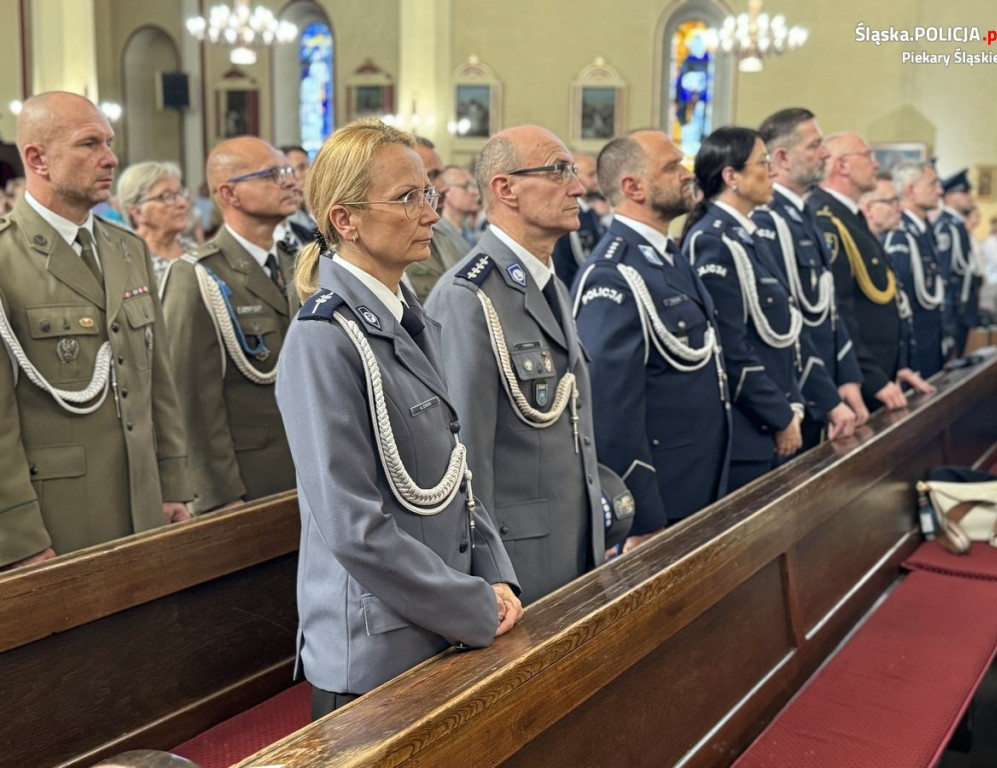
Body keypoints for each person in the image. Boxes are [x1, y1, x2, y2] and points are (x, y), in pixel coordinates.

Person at [274, 118, 522, 719]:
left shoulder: (406, 319)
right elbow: (355, 527)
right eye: (408, 198)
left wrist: (497, 578)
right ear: (346, 220)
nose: (431, 214)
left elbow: (454, 474)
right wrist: (468, 604)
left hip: (439, 624)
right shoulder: (324, 340)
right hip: (379, 649)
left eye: (429, 195)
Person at [0, 91, 191, 570]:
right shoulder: (5, 259)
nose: (110, 158)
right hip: (59, 516)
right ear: (37, 159)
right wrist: (19, 535)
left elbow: (157, 383)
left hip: (144, 502)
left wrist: (172, 483)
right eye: (89, 144)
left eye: (108, 142)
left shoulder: (127, 249)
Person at [426, 125, 605, 603]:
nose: (578, 187)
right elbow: (464, 456)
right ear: (506, 189)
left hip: (574, 537)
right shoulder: (469, 297)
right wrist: (486, 572)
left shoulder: (550, 284)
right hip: (517, 558)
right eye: (557, 172)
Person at [572, 130, 730, 544]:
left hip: (699, 479)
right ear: (632, 187)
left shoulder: (667, 256)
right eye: (672, 166)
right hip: (662, 498)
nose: (686, 173)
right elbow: (610, 410)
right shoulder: (612, 274)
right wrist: (641, 516)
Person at [161, 137, 300, 513]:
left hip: (309, 470)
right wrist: (219, 496)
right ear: (230, 194)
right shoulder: (198, 275)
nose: (290, 181)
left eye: (288, 171)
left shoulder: (298, 264)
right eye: (273, 174)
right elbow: (191, 401)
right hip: (251, 480)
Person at [682, 126, 804, 491]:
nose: (773, 172)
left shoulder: (747, 236)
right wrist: (780, 416)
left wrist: (792, 406)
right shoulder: (713, 241)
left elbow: (784, 335)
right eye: (763, 163)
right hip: (747, 429)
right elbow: (730, 349)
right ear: (731, 176)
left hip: (772, 421)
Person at [753, 108, 866, 449]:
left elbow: (827, 308)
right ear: (783, 158)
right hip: (797, 394)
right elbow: (786, 324)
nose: (826, 153)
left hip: (824, 386)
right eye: (815, 145)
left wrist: (847, 377)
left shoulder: (805, 213)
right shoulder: (767, 220)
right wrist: (824, 396)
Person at [807, 132, 933, 411]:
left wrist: (895, 367)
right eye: (868, 156)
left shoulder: (849, 217)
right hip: (855, 381)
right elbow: (840, 309)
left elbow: (877, 307)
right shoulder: (825, 219)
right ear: (843, 165)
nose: (876, 164)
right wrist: (872, 377)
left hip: (877, 374)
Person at [885, 162, 945, 379]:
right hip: (915, 347)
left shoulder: (923, 231)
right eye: (933, 184)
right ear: (910, 190)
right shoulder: (901, 235)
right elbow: (901, 302)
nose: (939, 190)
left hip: (931, 339)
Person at [117, 161, 195, 286]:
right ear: (137, 212)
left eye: (181, 193)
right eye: (167, 196)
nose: (182, 203)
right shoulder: (125, 261)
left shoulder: (194, 252)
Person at [934, 169, 982, 355]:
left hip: (963, 306)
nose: (970, 198)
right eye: (965, 193)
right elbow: (946, 272)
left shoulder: (957, 225)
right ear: (951, 196)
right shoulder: (947, 227)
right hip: (955, 308)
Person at [404, 136, 456, 300]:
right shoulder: (390, 246)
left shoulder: (444, 237)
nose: (445, 187)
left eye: (442, 174)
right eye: (432, 175)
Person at [552, 153, 606, 288]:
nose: (596, 181)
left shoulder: (591, 213)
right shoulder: (566, 214)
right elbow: (560, 265)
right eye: (591, 175)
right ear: (574, 177)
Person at [435, 165, 477, 258]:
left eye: (473, 186)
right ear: (446, 191)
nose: (475, 192)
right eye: (467, 186)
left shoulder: (467, 232)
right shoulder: (436, 235)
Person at [279, 144, 316, 245]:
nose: (309, 173)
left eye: (309, 167)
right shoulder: (283, 216)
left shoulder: (309, 209)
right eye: (301, 167)